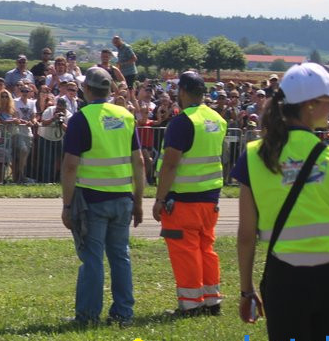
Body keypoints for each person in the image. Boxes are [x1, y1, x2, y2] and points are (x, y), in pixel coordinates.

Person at [233, 63, 329, 341]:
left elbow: (246, 234)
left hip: (284, 281)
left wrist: (247, 290)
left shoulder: (254, 155)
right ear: (310, 105)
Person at [60, 67, 146, 327]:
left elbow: (70, 166)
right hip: (123, 198)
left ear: (86, 89)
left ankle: (87, 315)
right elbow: (139, 162)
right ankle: (123, 313)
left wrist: (66, 204)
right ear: (109, 91)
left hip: (92, 200)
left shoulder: (81, 119)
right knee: (121, 256)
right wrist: (139, 201)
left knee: (92, 258)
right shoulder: (125, 116)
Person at [151, 71, 227, 316]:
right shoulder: (217, 119)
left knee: (186, 252)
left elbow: (171, 164)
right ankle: (212, 300)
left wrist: (160, 199)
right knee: (206, 249)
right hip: (210, 199)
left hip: (183, 200)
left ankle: (191, 304)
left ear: (182, 92)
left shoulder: (183, 121)